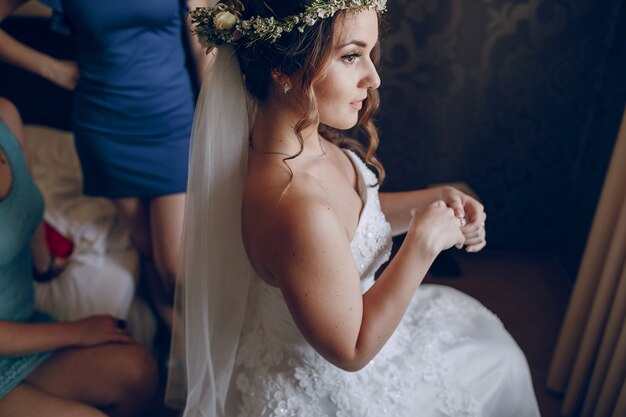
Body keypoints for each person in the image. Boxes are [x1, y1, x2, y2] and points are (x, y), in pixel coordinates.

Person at [173, 0, 542, 416]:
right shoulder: (295, 206)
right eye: (351, 56)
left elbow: (352, 218)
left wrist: (432, 198)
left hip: (351, 322)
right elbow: (351, 351)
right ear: (283, 69)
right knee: (497, 366)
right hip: (333, 385)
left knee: (491, 347)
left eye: (370, 53)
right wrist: (422, 244)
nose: (373, 77)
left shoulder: (298, 142)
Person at [0, 0, 215, 330]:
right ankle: (178, 360)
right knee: (147, 249)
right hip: (104, 129)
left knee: (174, 268)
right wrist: (50, 67)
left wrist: (215, 122)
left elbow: (204, 46)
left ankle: (203, 351)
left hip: (173, 122)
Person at [0, 97, 157, 417]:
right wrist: (78, 331)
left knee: (140, 372)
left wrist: (45, 266)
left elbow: (27, 208)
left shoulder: (5, 114)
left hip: (20, 328)